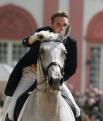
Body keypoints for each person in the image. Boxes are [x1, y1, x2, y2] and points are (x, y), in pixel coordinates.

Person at [4, 11, 81, 121]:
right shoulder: (43, 33)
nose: (62, 28)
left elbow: (72, 68)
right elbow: (25, 42)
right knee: (12, 108)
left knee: (77, 109)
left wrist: (57, 79)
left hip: (54, 76)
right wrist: (34, 38)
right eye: (58, 24)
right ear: (52, 25)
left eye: (65, 25)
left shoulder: (71, 43)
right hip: (31, 74)